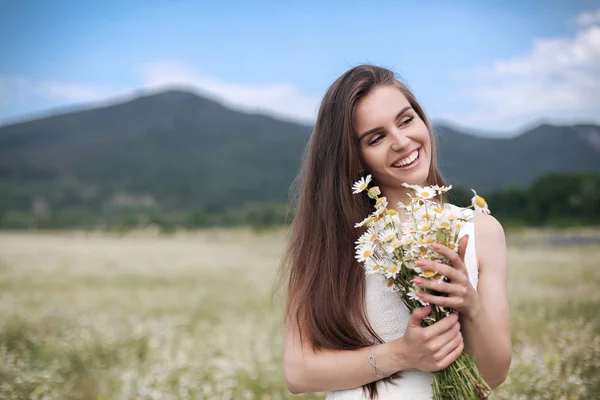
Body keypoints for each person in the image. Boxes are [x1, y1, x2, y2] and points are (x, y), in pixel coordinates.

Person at [276, 64, 512, 399]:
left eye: (406, 120)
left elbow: (495, 374)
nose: (402, 142)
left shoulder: (481, 231)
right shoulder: (331, 240)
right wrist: (402, 354)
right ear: (354, 158)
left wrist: (470, 305)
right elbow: (298, 373)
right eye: (376, 137)